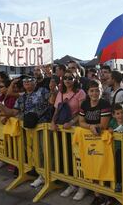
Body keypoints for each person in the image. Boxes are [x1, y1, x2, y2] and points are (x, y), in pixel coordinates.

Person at [0, 75, 51, 188]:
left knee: (44, 152)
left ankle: (47, 176)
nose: (27, 82)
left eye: (30, 80)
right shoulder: (22, 97)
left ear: (35, 82)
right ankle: (40, 174)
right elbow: (12, 112)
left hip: (43, 128)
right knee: (33, 152)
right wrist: (0, 105)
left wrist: (54, 90)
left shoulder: (43, 91)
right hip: (28, 129)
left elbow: (52, 102)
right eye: (25, 81)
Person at [51, 70, 87, 200]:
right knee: (66, 157)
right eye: (65, 78)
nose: (67, 80)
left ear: (75, 79)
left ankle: (82, 187)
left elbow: (82, 112)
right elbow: (56, 111)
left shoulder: (80, 93)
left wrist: (71, 122)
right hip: (62, 130)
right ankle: (72, 184)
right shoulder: (60, 93)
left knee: (78, 158)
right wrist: (52, 122)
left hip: (75, 130)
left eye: (70, 78)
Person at [78, 79, 112, 205]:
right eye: (92, 90)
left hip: (103, 141)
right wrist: (90, 127)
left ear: (101, 91)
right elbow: (80, 122)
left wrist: (91, 126)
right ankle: (97, 195)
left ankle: (107, 196)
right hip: (89, 141)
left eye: (97, 90)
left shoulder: (104, 103)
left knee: (103, 166)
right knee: (92, 166)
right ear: (87, 92)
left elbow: (103, 125)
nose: (94, 93)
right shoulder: (85, 104)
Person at [108, 103, 123, 193]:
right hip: (114, 148)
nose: (120, 115)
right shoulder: (113, 122)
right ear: (113, 115)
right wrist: (110, 129)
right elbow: (109, 128)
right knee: (116, 167)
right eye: (117, 113)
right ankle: (118, 183)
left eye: (122, 113)